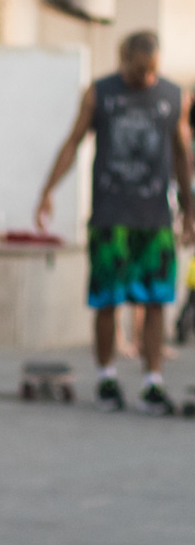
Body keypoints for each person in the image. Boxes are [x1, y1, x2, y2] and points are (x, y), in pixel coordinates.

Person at [33, 30, 193, 413]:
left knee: (156, 302)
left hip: (154, 218)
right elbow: (73, 141)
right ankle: (106, 378)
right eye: (138, 71)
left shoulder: (173, 97)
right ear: (122, 60)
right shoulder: (100, 93)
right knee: (107, 301)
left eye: (151, 71)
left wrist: (190, 208)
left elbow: (182, 155)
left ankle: (153, 382)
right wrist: (48, 189)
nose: (145, 79)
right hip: (110, 215)